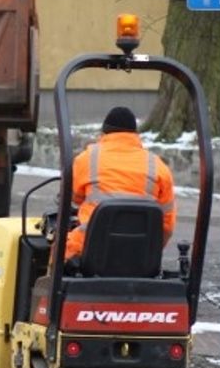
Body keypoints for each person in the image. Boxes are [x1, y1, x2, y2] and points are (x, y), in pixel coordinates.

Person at [65, 105, 176, 264]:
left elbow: (74, 198)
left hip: (89, 250)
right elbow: (167, 225)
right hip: (139, 255)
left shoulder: (87, 159)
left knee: (57, 249)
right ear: (135, 134)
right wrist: (151, 250)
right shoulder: (158, 166)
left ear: (104, 133)